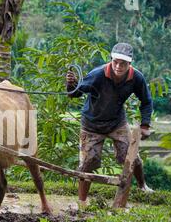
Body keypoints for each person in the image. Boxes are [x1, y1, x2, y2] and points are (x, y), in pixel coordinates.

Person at [66, 43, 154, 208]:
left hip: (117, 123)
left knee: (131, 156)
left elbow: (146, 101)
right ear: (111, 60)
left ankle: (143, 186)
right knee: (87, 162)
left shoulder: (137, 78)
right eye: (115, 62)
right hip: (91, 125)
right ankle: (82, 201)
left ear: (130, 63)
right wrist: (71, 84)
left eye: (123, 63)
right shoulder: (98, 74)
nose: (118, 66)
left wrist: (145, 124)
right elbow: (75, 93)